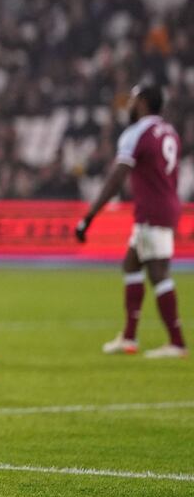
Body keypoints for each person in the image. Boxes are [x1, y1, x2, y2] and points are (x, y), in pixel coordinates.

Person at [76, 85, 186, 358]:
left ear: (144, 103)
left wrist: (90, 215)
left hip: (153, 209)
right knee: (132, 263)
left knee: (158, 272)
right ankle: (129, 337)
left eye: (134, 100)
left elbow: (117, 177)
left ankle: (176, 342)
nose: (130, 106)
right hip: (166, 204)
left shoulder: (137, 133)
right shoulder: (169, 131)